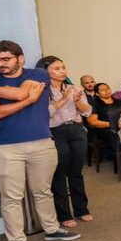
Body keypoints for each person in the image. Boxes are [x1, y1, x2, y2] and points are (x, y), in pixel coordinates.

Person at [0, 40, 80, 241]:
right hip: (6, 146)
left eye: (5, 59)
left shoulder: (38, 74)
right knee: (11, 197)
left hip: (41, 141)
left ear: (20, 58)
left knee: (43, 190)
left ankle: (51, 228)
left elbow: (19, 95)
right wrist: (29, 99)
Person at [38, 56, 93, 228]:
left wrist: (77, 101)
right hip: (56, 131)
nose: (62, 71)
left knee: (76, 172)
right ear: (45, 71)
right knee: (59, 174)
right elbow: (45, 115)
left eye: (63, 67)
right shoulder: (41, 91)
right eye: (57, 68)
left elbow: (88, 112)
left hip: (76, 130)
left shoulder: (74, 88)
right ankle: (64, 214)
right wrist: (62, 100)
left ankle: (82, 210)